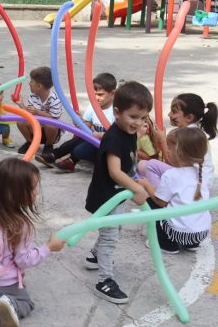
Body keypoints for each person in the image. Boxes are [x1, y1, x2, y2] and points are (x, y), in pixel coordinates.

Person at [0, 159, 65, 325]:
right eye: (33, 188)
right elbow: (24, 260)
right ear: (17, 194)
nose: (36, 193)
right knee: (27, 303)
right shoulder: (20, 225)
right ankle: (11, 304)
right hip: (3, 286)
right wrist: (49, 247)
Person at [84, 81, 151, 304]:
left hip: (117, 194)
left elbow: (127, 163)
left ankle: (95, 256)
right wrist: (136, 187)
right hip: (106, 197)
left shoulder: (128, 133)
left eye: (143, 118)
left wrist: (134, 179)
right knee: (110, 237)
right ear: (117, 112)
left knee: (113, 230)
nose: (139, 123)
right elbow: (114, 171)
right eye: (133, 117)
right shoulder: (113, 138)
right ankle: (104, 280)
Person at [139, 128, 211, 253]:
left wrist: (146, 184)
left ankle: (166, 244)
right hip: (201, 234)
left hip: (178, 233)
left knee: (151, 201)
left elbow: (160, 202)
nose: (168, 152)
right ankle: (191, 245)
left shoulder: (171, 174)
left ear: (179, 152)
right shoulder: (201, 174)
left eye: (170, 149)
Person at [138, 93, 217, 190]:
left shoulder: (185, 135)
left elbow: (172, 161)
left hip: (192, 183)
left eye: (174, 112)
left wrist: (163, 140)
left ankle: (159, 195)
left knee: (145, 166)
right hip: (199, 181)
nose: (169, 114)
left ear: (189, 117)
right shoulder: (195, 131)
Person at [41, 72, 116, 172]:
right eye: (93, 95)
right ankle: (54, 155)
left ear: (112, 93)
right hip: (95, 140)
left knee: (80, 149)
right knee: (75, 141)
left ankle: (71, 161)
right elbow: (87, 127)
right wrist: (80, 123)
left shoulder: (116, 111)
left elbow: (116, 136)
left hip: (109, 147)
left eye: (100, 95)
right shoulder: (93, 106)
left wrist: (99, 135)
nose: (96, 98)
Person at [13, 66, 63, 158]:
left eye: (31, 82)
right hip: (35, 129)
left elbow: (54, 117)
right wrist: (21, 105)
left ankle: (49, 146)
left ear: (39, 86)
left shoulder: (55, 98)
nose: (29, 83)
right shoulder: (33, 96)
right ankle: (30, 142)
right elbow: (29, 114)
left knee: (51, 124)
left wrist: (38, 112)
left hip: (49, 132)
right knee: (20, 121)